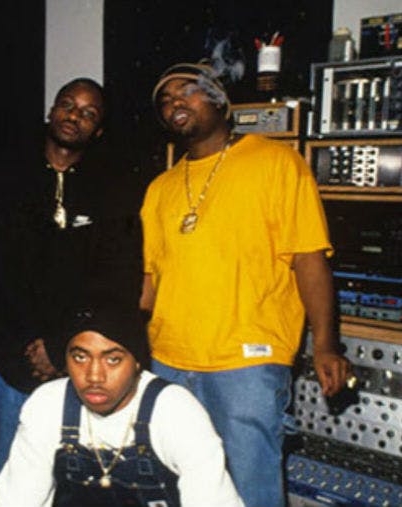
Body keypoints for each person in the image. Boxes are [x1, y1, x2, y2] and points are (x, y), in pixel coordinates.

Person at [139, 61, 353, 506]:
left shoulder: (276, 162)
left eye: (187, 91)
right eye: (165, 100)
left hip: (247, 363)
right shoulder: (160, 187)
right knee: (178, 491)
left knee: (248, 491)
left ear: (220, 101)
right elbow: (149, 285)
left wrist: (326, 344)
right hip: (168, 361)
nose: (175, 102)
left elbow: (309, 259)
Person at [0, 77, 143, 481]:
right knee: (5, 479)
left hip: (79, 363)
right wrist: (22, 351)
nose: (74, 116)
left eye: (88, 112)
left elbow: (118, 281)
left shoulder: (114, 192)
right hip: (12, 364)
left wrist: (58, 345)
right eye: (68, 104)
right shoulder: (8, 181)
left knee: (76, 483)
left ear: (98, 130)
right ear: (51, 111)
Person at [0, 303, 244, 507]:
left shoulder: (175, 411)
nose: (94, 376)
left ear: (137, 362)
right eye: (80, 357)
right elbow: (18, 500)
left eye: (113, 359)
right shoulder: (48, 405)